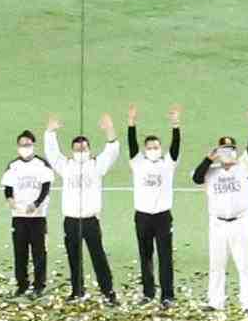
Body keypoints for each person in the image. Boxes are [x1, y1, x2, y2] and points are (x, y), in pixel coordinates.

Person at [54, 114, 124, 302]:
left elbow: (112, 151)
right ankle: (77, 291)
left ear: (90, 149)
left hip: (90, 219)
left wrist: (109, 130)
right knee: (73, 257)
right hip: (70, 219)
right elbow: (52, 153)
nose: (80, 151)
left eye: (84, 148)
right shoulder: (66, 166)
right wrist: (50, 132)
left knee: (98, 256)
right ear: (71, 151)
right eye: (77, 149)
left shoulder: (96, 165)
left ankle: (108, 291)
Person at [198, 127, 248, 313]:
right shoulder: (211, 171)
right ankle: (215, 301)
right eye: (223, 149)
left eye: (231, 149)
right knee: (216, 263)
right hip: (217, 223)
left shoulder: (244, 167)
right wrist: (208, 159)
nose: (227, 153)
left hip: (240, 222)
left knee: (244, 263)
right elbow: (196, 178)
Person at [127, 106, 183, 305]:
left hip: (162, 217)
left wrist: (176, 124)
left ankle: (167, 295)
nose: (152, 149)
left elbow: (176, 147)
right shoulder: (137, 163)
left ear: (160, 148)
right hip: (142, 216)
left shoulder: (168, 164)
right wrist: (131, 123)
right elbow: (131, 145)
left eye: (155, 147)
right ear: (144, 150)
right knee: (145, 255)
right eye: (149, 147)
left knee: (165, 256)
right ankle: (148, 293)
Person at [0, 127, 55, 297]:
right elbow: (8, 187)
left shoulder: (42, 164)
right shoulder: (13, 165)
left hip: (37, 217)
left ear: (33, 145)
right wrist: (10, 199)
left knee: (39, 252)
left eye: (28, 144)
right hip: (19, 216)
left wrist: (36, 204)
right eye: (22, 144)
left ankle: (39, 285)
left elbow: (46, 187)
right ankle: (22, 284)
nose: (25, 147)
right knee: (20, 253)